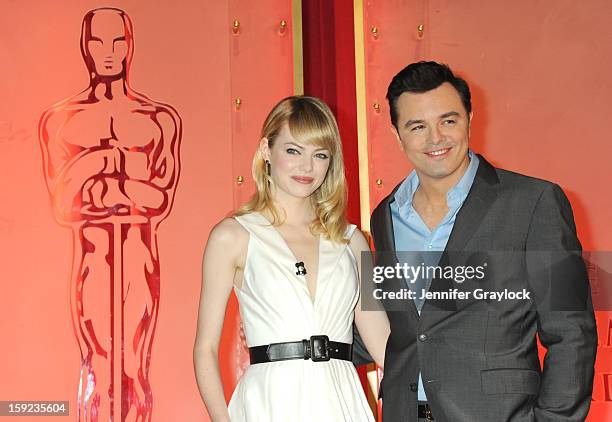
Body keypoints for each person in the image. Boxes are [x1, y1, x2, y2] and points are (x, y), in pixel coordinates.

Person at [353, 61, 597, 421]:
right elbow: (397, 324)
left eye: (448, 121)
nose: (435, 138)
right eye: (417, 126)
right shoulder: (385, 216)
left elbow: (572, 331)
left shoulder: (535, 202)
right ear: (397, 134)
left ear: (470, 116)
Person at [194, 96, 389, 421]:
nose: (307, 167)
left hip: (342, 403)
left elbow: (384, 344)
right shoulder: (232, 236)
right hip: (269, 404)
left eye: (320, 155)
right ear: (267, 151)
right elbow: (205, 350)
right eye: (293, 151)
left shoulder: (355, 241)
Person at [38, 7, 181, 421]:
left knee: (135, 368)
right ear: (85, 45)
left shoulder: (158, 120)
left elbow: (159, 198)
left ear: (129, 44)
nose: (108, 51)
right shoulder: (62, 121)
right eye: (98, 41)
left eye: (117, 41)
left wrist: (106, 185)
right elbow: (63, 203)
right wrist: (108, 158)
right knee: (97, 368)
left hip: (139, 260)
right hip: (92, 263)